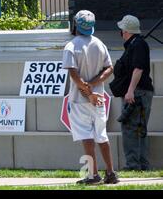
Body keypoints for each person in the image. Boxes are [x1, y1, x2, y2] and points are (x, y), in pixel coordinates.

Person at [62, 10, 119, 184]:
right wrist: (93, 86)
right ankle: (111, 173)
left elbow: (73, 73)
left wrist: (86, 90)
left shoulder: (71, 46)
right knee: (102, 135)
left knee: (86, 137)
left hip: (79, 101)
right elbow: (109, 68)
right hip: (99, 99)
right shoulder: (100, 44)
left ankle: (93, 175)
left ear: (75, 24)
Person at [116, 15, 154, 170]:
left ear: (126, 31)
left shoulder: (137, 45)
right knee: (138, 129)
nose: (121, 33)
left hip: (137, 93)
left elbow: (138, 68)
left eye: (122, 30)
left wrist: (130, 91)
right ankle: (141, 165)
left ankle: (133, 165)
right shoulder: (136, 44)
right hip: (139, 92)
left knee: (131, 129)